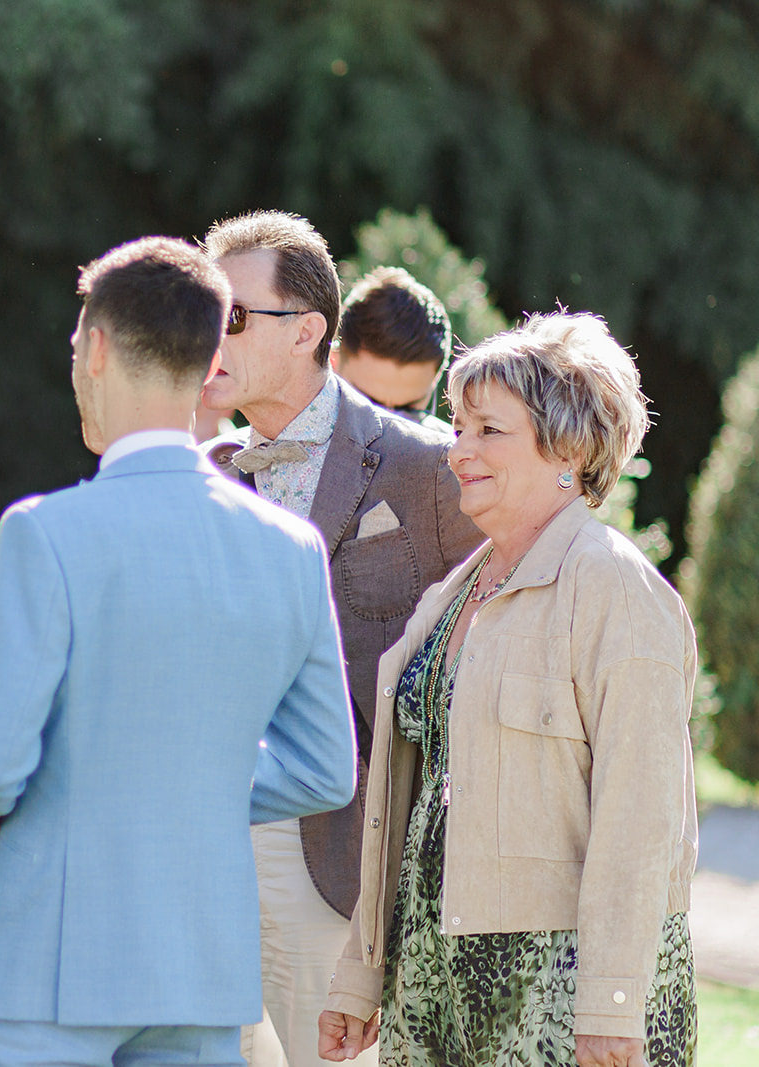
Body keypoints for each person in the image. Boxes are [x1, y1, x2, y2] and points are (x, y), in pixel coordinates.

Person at [0, 236, 356, 1067]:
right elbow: (325, 769)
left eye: (73, 351)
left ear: (95, 348)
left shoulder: (45, 532)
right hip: (202, 968)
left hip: (52, 958)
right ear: (210, 364)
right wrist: (192, 787)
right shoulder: (290, 548)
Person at [320, 311, 697, 1067]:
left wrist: (611, 1003)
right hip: (432, 981)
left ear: (569, 446)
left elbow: (642, 817)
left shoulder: (615, 588)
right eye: (457, 426)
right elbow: (407, 802)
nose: (457, 451)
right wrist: (362, 974)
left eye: (488, 430)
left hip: (557, 994)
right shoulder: (457, 592)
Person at [198, 210, 483, 1067]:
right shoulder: (206, 475)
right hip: (204, 844)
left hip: (345, 854)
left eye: (233, 314)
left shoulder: (425, 469)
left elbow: (478, 661)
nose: (210, 334)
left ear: (307, 330)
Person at [330, 267, 454, 433]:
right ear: (332, 362)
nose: (388, 430)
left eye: (409, 410)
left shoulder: (453, 453)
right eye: (366, 405)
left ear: (435, 381)